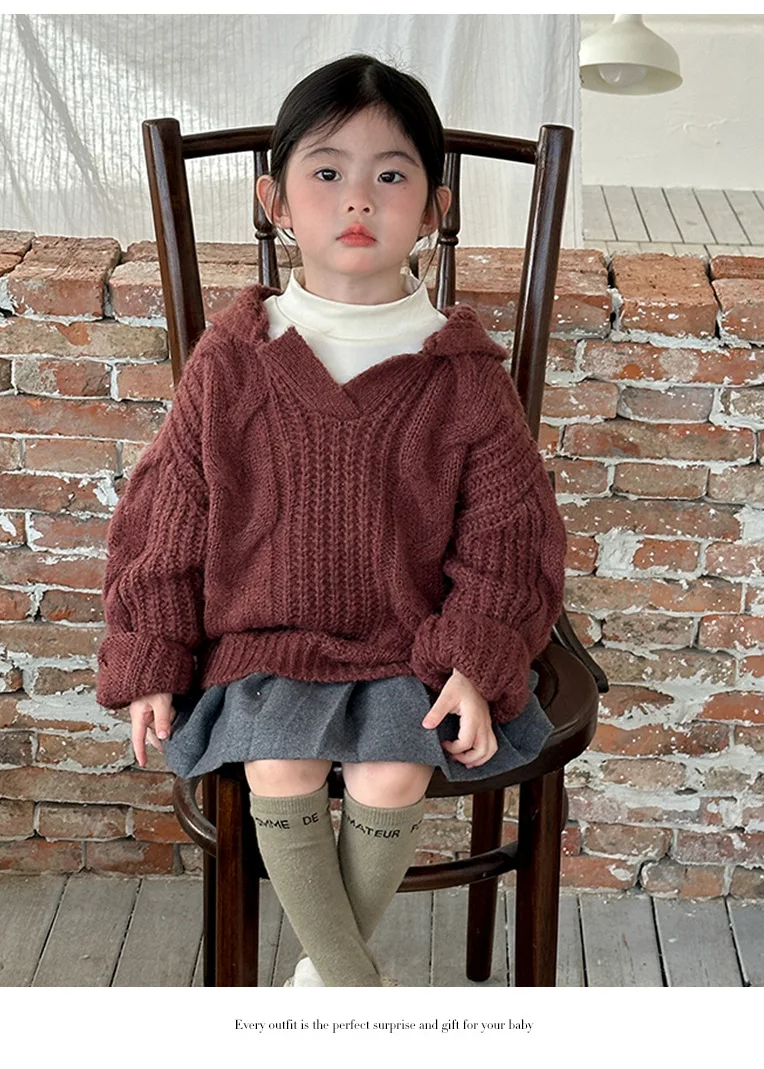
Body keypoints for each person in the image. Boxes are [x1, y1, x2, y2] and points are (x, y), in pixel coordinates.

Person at [96, 54, 567, 988]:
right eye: (326, 172)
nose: (358, 197)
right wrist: (150, 650)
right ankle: (354, 990)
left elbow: (508, 536)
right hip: (263, 639)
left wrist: (474, 659)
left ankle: (326, 987)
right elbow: (168, 517)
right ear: (275, 200)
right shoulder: (233, 360)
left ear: (433, 209)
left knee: (394, 771)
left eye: (391, 175)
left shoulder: (461, 373)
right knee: (279, 762)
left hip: (408, 642)